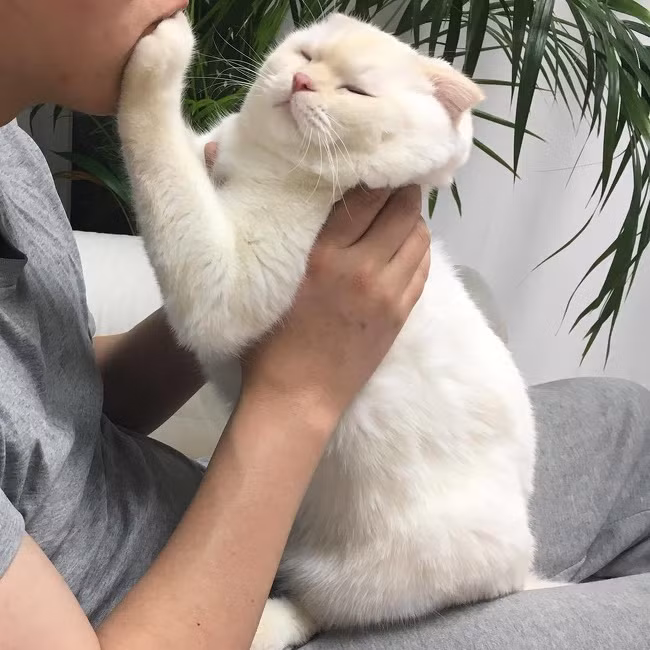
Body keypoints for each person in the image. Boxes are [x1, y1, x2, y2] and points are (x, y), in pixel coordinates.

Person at [0, 2, 648, 649]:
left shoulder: (11, 155)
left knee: (628, 422)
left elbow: (51, 398)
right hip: (229, 611)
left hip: (248, 510)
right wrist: (300, 389)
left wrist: (265, 293)